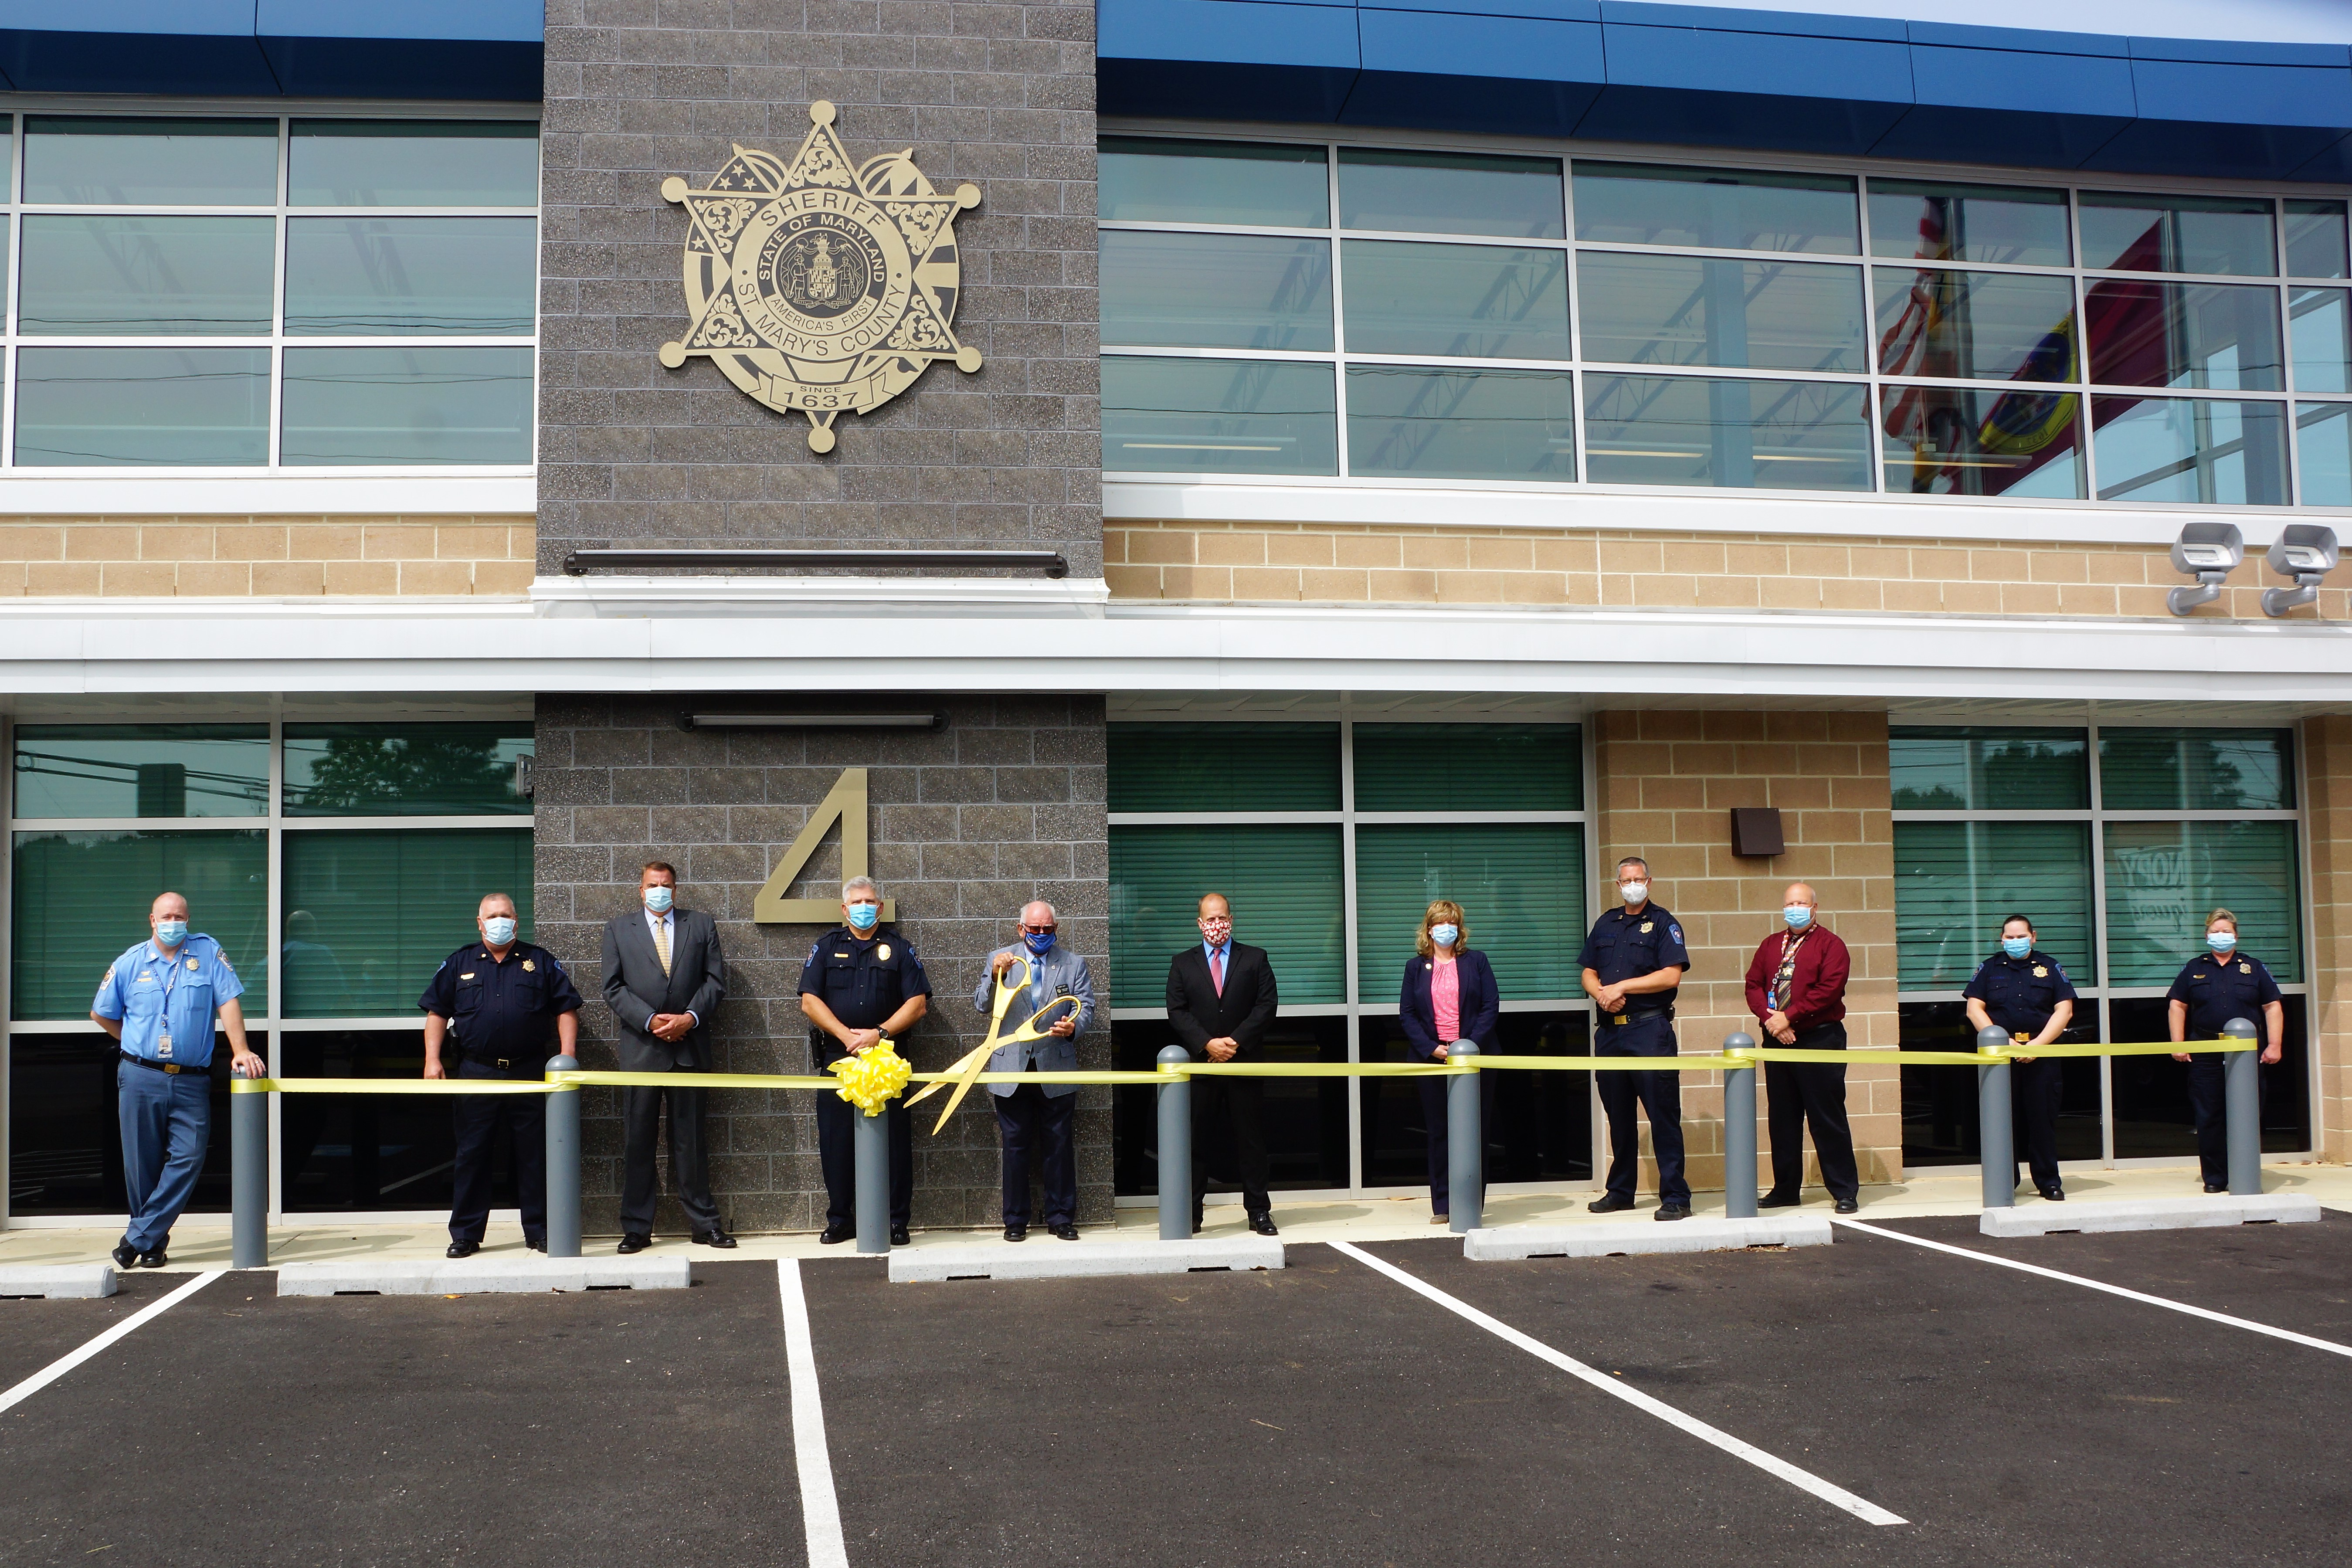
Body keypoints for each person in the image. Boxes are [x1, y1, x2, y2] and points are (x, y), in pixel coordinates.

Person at [89, 892, 264, 1269]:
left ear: (188, 919)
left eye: (180, 916)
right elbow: (101, 1013)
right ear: (152, 920)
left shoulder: (207, 953)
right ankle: (152, 1244)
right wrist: (133, 1041)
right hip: (140, 1075)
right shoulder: (130, 962)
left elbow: (228, 1001)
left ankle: (137, 1238)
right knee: (142, 1165)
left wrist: (241, 1049)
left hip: (191, 1079)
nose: (174, 922)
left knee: (190, 1156)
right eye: (166, 917)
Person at [419, 893, 582, 1258]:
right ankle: (466, 1234)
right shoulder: (459, 962)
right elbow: (436, 1013)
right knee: (472, 1154)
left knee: (534, 1155)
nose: (499, 921)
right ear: (479, 923)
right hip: (477, 1071)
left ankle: (541, 1231)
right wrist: (432, 1059)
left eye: (505, 915)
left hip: (529, 1071)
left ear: (516, 921)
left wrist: (567, 1057)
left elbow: (566, 1009)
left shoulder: (540, 961)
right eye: (492, 916)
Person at [600, 860, 733, 1252]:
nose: (659, 890)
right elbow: (612, 987)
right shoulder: (618, 929)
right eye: (652, 885)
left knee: (691, 1143)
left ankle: (704, 1224)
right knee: (638, 1142)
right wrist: (650, 1020)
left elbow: (714, 981)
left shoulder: (701, 925)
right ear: (641, 890)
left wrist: (689, 1018)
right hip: (642, 1051)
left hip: (689, 1049)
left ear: (675, 890)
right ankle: (637, 1229)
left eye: (666, 885)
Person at [799, 876, 931, 1246]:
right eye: (856, 902)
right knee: (836, 1141)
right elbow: (809, 1001)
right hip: (839, 1058)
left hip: (887, 1060)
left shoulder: (899, 949)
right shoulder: (826, 947)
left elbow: (918, 1004)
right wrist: (846, 1036)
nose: (863, 908)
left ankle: (895, 1221)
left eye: (870, 902)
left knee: (894, 1142)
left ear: (881, 908)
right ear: (844, 910)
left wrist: (879, 1033)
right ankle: (841, 1218)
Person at [973, 900, 1096, 1242]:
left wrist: (1074, 1027)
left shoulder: (1073, 964)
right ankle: (1015, 1220)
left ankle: (1061, 1218)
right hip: (1011, 1069)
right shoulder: (1000, 959)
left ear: (1056, 929)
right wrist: (996, 974)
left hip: (1055, 1067)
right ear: (1021, 929)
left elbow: (1087, 1007)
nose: (1041, 934)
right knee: (1015, 1147)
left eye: (1048, 929)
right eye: (1035, 929)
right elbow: (982, 1004)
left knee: (1059, 1145)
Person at [1580, 857, 1692, 1221]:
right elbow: (1588, 972)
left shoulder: (1662, 923)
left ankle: (1676, 1197)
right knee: (1619, 1117)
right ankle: (1620, 1192)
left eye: (1638, 879)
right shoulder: (1605, 923)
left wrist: (1622, 987)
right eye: (1626, 880)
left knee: (1662, 1116)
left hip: (1648, 1031)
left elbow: (1670, 976)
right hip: (1610, 1033)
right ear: (1618, 885)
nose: (1632, 886)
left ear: (1649, 881)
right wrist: (1601, 994)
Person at [1165, 892, 1280, 1236]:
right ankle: (1191, 1214)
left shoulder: (1255, 958)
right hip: (1201, 1068)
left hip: (1243, 1064)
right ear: (1200, 923)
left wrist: (1235, 1041)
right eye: (1211, 919)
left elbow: (1266, 1005)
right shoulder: (1182, 963)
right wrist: (1206, 1043)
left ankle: (1259, 1212)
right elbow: (1177, 1010)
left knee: (1251, 1143)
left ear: (1231, 919)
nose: (1217, 924)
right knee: (1195, 1143)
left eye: (1222, 918)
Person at [1742, 881, 1860, 1214]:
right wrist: (1772, 1020)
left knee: (1826, 1117)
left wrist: (1789, 1017)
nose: (1795, 909)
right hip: (1776, 1039)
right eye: (1790, 904)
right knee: (1782, 1117)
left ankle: (1844, 1191)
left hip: (1818, 1039)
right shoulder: (1770, 945)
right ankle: (1785, 1189)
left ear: (1814, 908)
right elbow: (1752, 985)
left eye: (1801, 903)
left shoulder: (1831, 945)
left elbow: (1829, 990)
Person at [2166, 908, 2286, 1193]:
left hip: (2244, 1052)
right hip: (2206, 1049)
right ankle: (2215, 1177)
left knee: (2247, 1114)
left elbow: (2272, 1006)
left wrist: (2274, 1044)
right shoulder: (2194, 968)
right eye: (2215, 931)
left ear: (2236, 935)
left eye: (2226, 932)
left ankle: (2244, 1174)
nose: (2221, 936)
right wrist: (2178, 1043)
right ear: (2206, 935)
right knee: (2209, 1115)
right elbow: (2177, 1005)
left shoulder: (2253, 967)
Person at [1962, 913, 2077, 1201]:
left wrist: (2037, 1045)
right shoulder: (1989, 969)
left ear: (2033, 937)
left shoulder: (2050, 967)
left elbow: (2064, 1011)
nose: (2015, 942)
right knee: (2001, 1120)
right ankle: (2005, 1181)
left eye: (2021, 937)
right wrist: (2005, 1042)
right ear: (2002, 940)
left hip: (2042, 1053)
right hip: (2001, 1055)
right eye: (2010, 937)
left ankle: (2048, 1182)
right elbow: (1974, 1009)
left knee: (2042, 1120)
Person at [1396, 899, 1497, 1225]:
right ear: (1429, 930)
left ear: (1460, 928)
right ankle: (1443, 1205)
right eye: (1440, 923)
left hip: (1472, 1058)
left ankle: (1470, 1204)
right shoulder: (1415, 967)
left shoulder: (1476, 961)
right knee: (1439, 1131)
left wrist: (1466, 1048)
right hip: (1432, 1060)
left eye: (1452, 923)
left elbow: (1490, 1006)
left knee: (1475, 1131)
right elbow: (1407, 1014)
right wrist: (1431, 1048)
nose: (1446, 929)